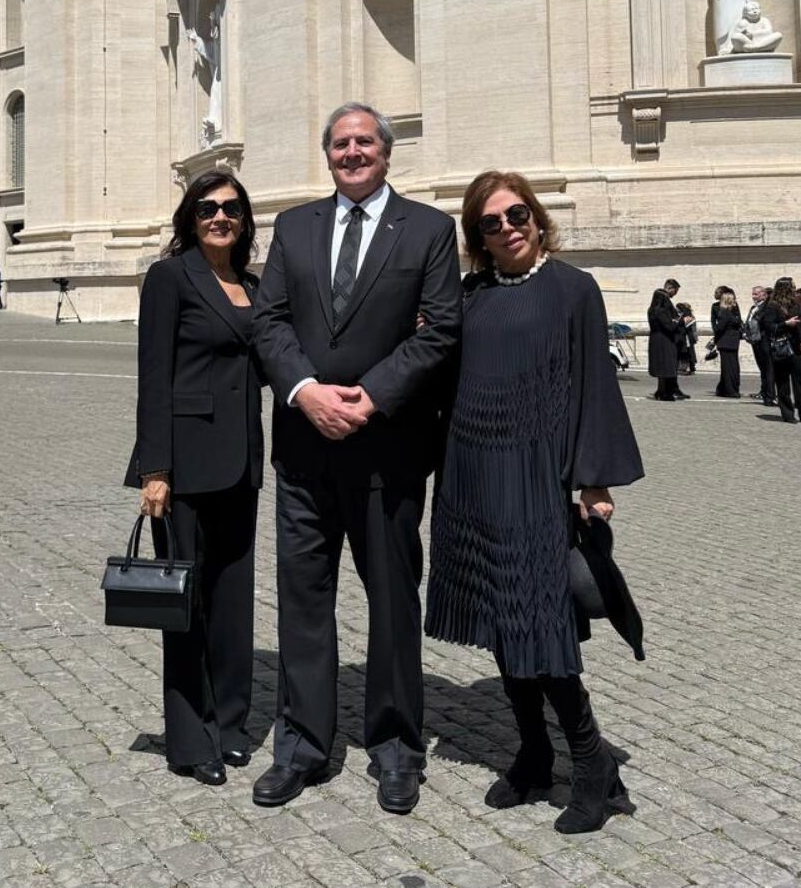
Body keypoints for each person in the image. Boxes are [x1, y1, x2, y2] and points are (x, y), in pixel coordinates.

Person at [251, 102, 462, 814]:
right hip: (305, 455)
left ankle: (397, 748)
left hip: (388, 452)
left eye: (364, 142)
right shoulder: (295, 226)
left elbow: (441, 331)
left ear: (386, 152)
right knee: (303, 604)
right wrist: (305, 391)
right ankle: (303, 746)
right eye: (340, 144)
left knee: (393, 603)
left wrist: (369, 398)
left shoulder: (430, 230)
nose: (352, 153)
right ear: (327, 154)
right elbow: (269, 321)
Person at [425, 170, 643, 834]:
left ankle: (593, 766)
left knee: (538, 622)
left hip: (534, 477)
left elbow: (593, 386)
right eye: (490, 223)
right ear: (478, 238)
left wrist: (594, 480)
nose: (507, 228)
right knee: (496, 615)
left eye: (516, 215)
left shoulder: (573, 288)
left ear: (537, 217)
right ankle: (533, 753)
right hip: (469, 474)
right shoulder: (470, 296)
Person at [124, 171, 263, 788]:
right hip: (183, 467)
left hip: (242, 462)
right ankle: (187, 737)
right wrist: (155, 469)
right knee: (185, 603)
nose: (219, 217)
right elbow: (153, 374)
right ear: (190, 215)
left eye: (231, 208)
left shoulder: (253, 286)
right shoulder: (170, 277)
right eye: (207, 207)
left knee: (233, 602)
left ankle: (231, 725)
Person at [761, 277, 801, 425]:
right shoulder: (772, 306)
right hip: (781, 348)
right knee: (783, 382)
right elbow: (768, 327)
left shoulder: (795, 304)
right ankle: (787, 413)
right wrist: (785, 324)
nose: (795, 290)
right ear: (785, 289)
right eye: (792, 287)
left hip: (796, 347)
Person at [648, 279, 688, 400]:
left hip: (656, 339)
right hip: (664, 340)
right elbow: (669, 326)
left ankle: (661, 391)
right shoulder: (660, 311)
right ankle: (664, 393)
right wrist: (682, 320)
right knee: (665, 366)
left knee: (663, 366)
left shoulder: (651, 309)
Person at [744, 285, 775, 405]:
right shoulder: (754, 307)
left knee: (768, 369)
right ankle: (763, 391)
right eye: (753, 294)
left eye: (756, 294)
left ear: (763, 294)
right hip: (755, 341)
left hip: (764, 341)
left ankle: (770, 395)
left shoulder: (767, 307)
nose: (753, 296)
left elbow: (764, 323)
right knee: (762, 368)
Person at [712, 288, 742, 397]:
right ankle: (729, 389)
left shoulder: (727, 312)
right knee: (730, 367)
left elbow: (721, 328)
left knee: (730, 367)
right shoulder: (728, 313)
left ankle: (728, 389)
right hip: (729, 342)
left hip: (728, 342)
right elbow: (721, 327)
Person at [676, 301, 698, 374]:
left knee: (687, 352)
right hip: (686, 337)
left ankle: (685, 368)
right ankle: (689, 367)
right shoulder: (685, 316)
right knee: (688, 352)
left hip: (686, 337)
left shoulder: (688, 317)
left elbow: (692, 328)